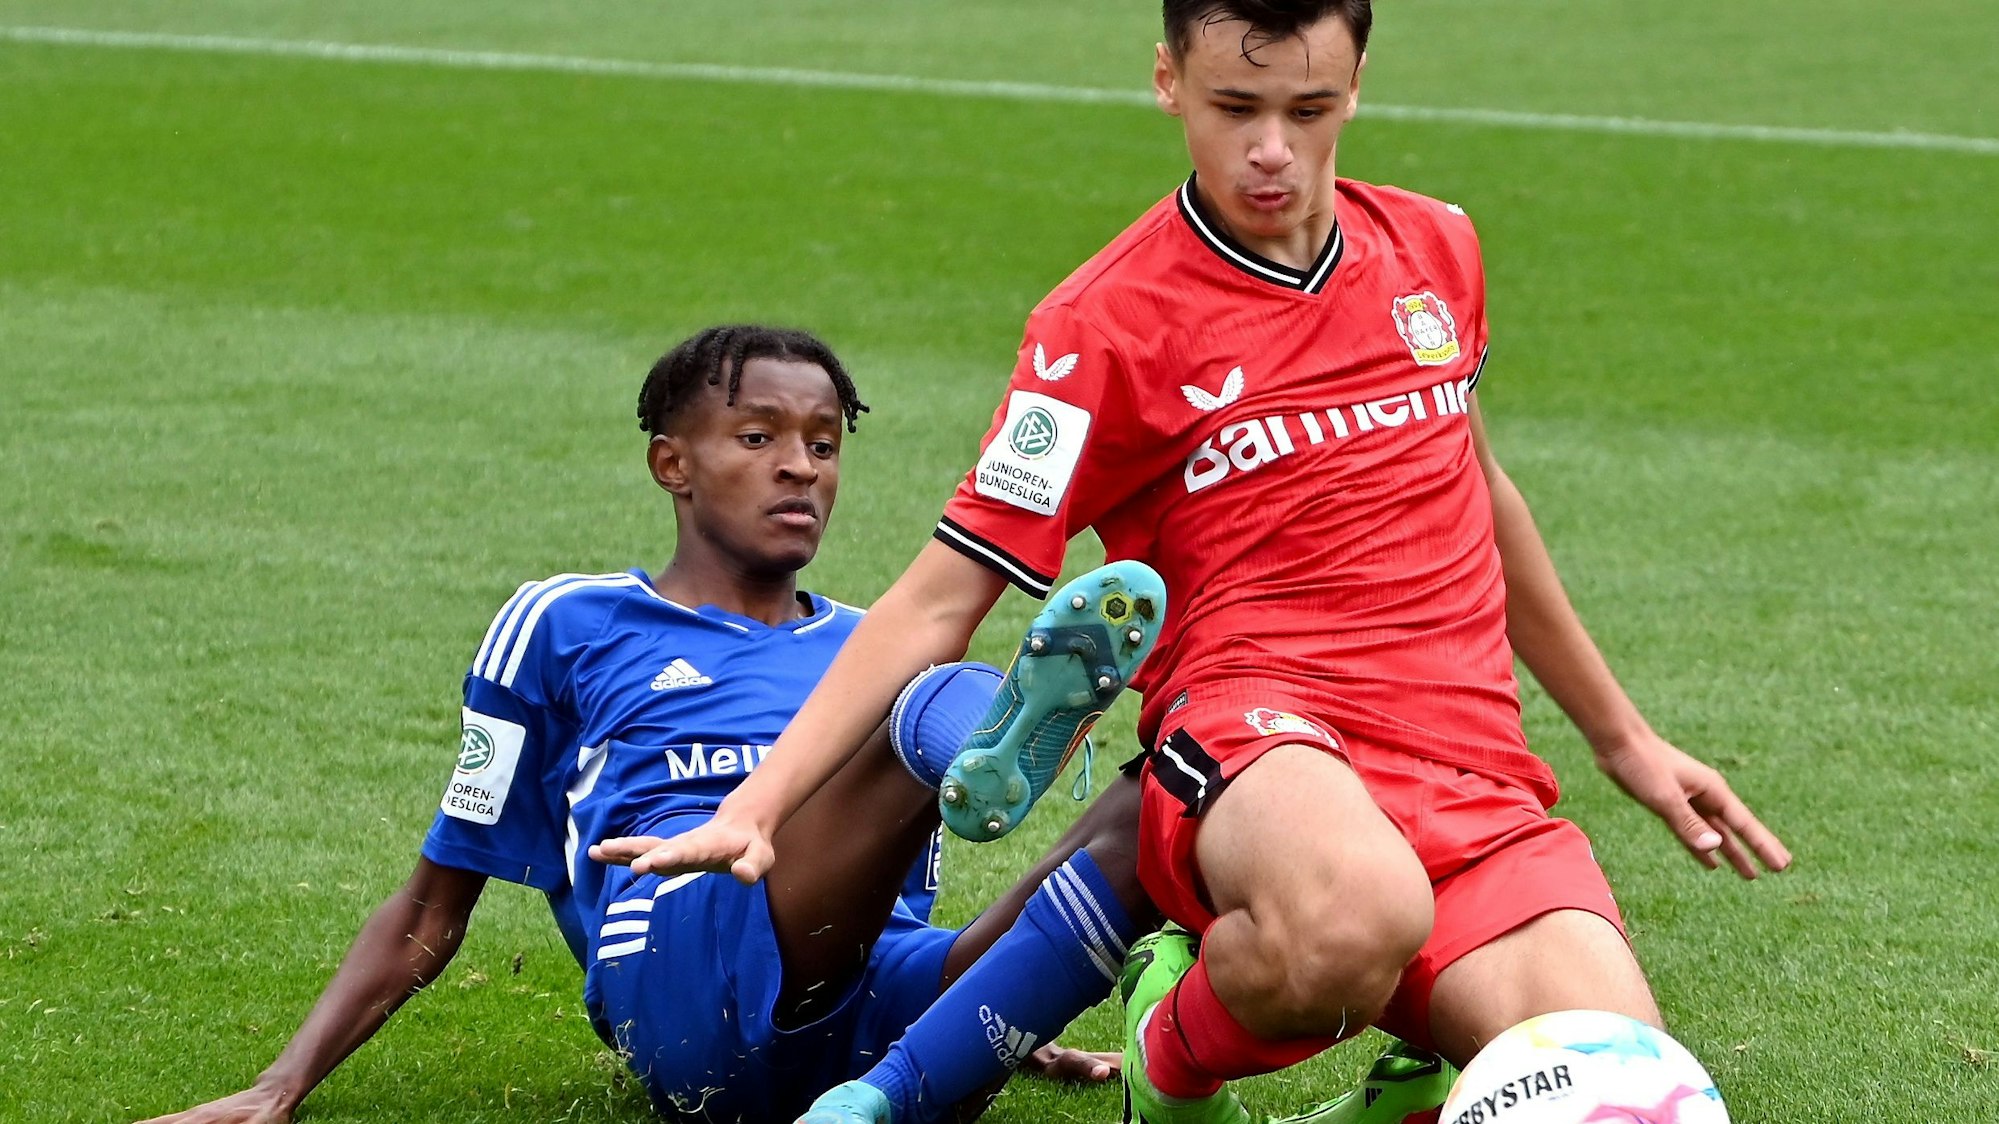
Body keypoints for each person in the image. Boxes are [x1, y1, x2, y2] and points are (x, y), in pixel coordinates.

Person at [621, 4, 1794, 1124]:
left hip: (1469, 762)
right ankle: (1172, 1056)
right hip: (1258, 737)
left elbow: (1479, 489)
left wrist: (1623, 739)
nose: (1271, 149)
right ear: (1168, 78)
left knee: (1624, 1083)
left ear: (1355, 90)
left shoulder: (1435, 246)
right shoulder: (1099, 323)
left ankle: (1408, 1078)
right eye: (1235, 105)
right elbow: (942, 587)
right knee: (1354, 913)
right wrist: (758, 801)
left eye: (1308, 107)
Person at [135, 325, 1158, 1124]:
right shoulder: (566, 620)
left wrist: (1016, 1010)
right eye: (758, 437)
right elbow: (431, 900)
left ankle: (974, 1011)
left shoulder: (865, 640)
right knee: (918, 702)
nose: (799, 466)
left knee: (1154, 800)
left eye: (823, 443)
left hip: (873, 995)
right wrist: (281, 1083)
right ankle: (989, 729)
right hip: (680, 974)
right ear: (672, 463)